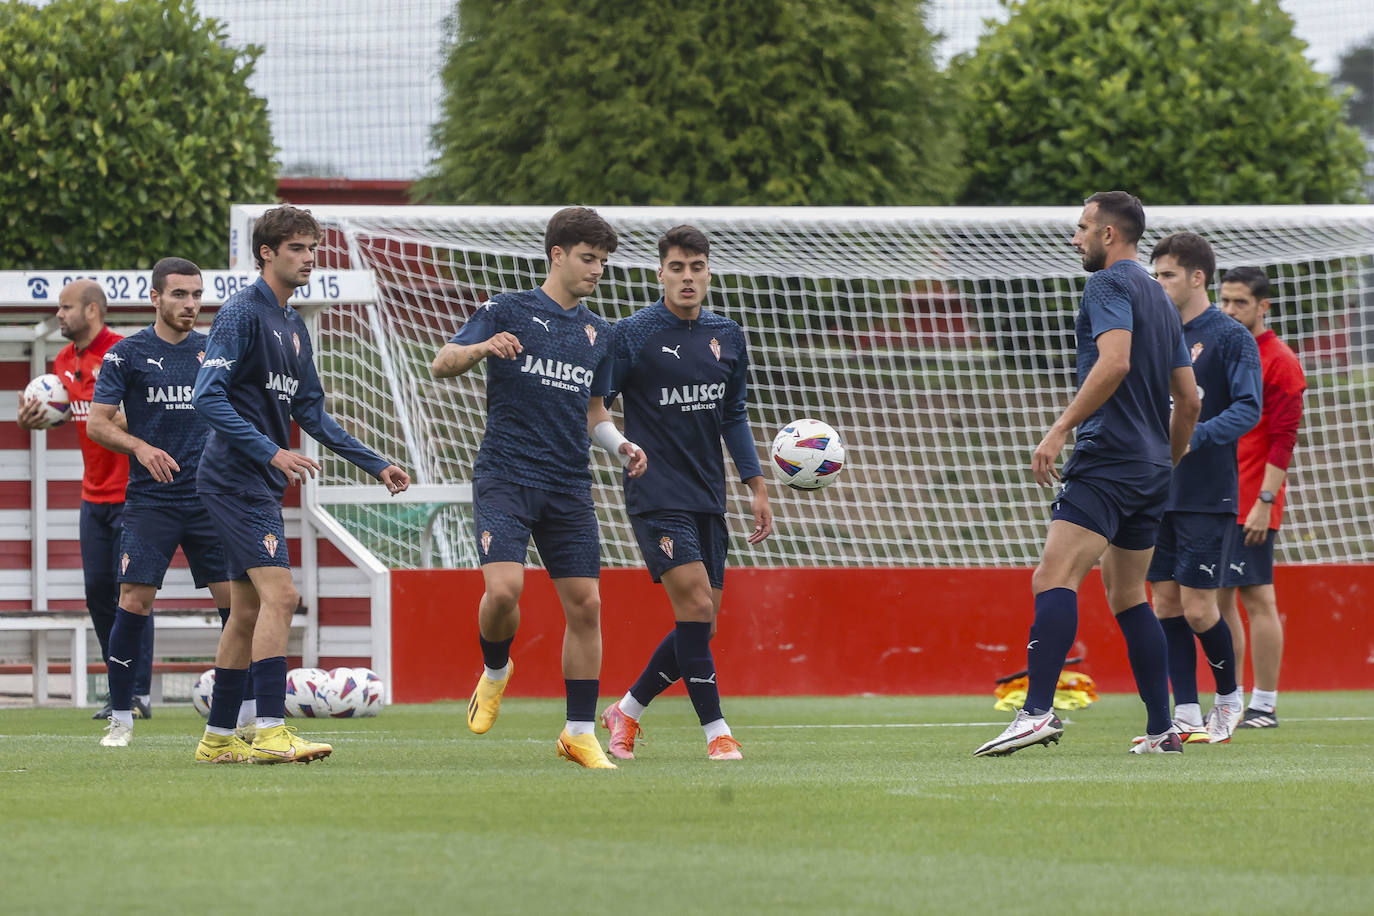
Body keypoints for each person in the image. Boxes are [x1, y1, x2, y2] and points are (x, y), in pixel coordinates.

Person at [974, 191, 1200, 758]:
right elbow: (1189, 401)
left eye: (1081, 227)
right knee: (1129, 596)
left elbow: (1115, 361)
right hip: (1149, 467)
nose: (1074, 238)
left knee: (1053, 575)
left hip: (1109, 458)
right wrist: (1164, 464)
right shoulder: (1159, 297)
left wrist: (1058, 430)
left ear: (1108, 235)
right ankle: (1161, 730)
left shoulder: (1107, 284)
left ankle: (1035, 712)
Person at [190, 205, 411, 764]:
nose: (309, 258)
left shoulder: (292, 324)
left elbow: (312, 412)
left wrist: (375, 462)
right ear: (267, 252)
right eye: (297, 248)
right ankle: (268, 731)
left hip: (257, 480)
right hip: (233, 477)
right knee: (282, 596)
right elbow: (206, 395)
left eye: (313, 248)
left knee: (246, 612)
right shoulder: (242, 313)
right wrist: (270, 450)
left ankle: (217, 741)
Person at [431, 206, 645, 770]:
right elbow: (441, 362)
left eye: (603, 260)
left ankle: (577, 732)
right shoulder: (508, 309)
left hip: (568, 485)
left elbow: (595, 410)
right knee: (504, 592)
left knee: (588, 606)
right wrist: (482, 348)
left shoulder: (601, 332)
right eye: (588, 258)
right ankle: (497, 671)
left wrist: (618, 445)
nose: (597, 269)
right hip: (504, 475)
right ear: (557, 254)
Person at [596, 225, 773, 763]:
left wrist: (756, 485)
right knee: (695, 604)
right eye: (677, 268)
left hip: (707, 494)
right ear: (660, 274)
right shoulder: (631, 334)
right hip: (655, 492)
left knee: (703, 623)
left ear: (709, 272)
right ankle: (717, 731)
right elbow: (596, 407)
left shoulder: (729, 336)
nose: (688, 277)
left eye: (696, 267)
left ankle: (626, 711)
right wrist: (621, 446)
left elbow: (734, 415)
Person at [88, 258, 246, 747]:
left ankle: (235, 715)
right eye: (179, 294)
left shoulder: (215, 352)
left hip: (210, 501)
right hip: (151, 501)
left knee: (236, 604)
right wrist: (140, 446)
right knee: (133, 601)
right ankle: (121, 716)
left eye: (197, 295)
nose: (190, 304)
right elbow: (98, 422)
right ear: (155, 298)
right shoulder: (126, 354)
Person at [16, 280, 154, 720]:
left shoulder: (124, 353)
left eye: (66, 307)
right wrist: (39, 420)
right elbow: (72, 416)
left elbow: (144, 416)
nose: (58, 315)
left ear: (92, 311)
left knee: (132, 592)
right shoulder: (62, 361)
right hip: (93, 497)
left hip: (132, 493)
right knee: (98, 592)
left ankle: (136, 693)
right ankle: (122, 685)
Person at [1145, 233, 1261, 745]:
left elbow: (1248, 408)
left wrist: (1189, 437)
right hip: (1154, 490)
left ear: (1197, 277)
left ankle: (1229, 696)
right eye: (1155, 275)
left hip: (1207, 493)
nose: (1158, 284)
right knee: (1164, 604)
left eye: (1167, 274)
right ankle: (1186, 713)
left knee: (1198, 607)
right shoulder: (1151, 333)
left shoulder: (1231, 336)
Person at [1218, 266, 1306, 729]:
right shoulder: (1221, 350)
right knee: (1218, 599)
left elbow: (1283, 440)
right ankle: (1230, 699)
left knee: (1255, 597)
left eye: (1240, 303)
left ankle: (1264, 704)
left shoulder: (1280, 360)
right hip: (1213, 495)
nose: (1230, 311)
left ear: (1263, 306)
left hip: (1253, 497)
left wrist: (1265, 500)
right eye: (1225, 301)